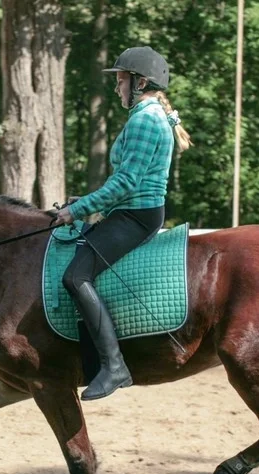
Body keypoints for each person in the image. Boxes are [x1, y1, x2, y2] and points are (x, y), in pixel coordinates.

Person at [53, 46, 192, 400]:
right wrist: (83, 201)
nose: (117, 88)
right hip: (131, 211)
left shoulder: (145, 119)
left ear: (140, 82)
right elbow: (126, 181)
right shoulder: (147, 115)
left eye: (120, 80)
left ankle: (114, 366)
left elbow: (126, 183)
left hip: (136, 216)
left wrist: (78, 210)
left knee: (75, 276)